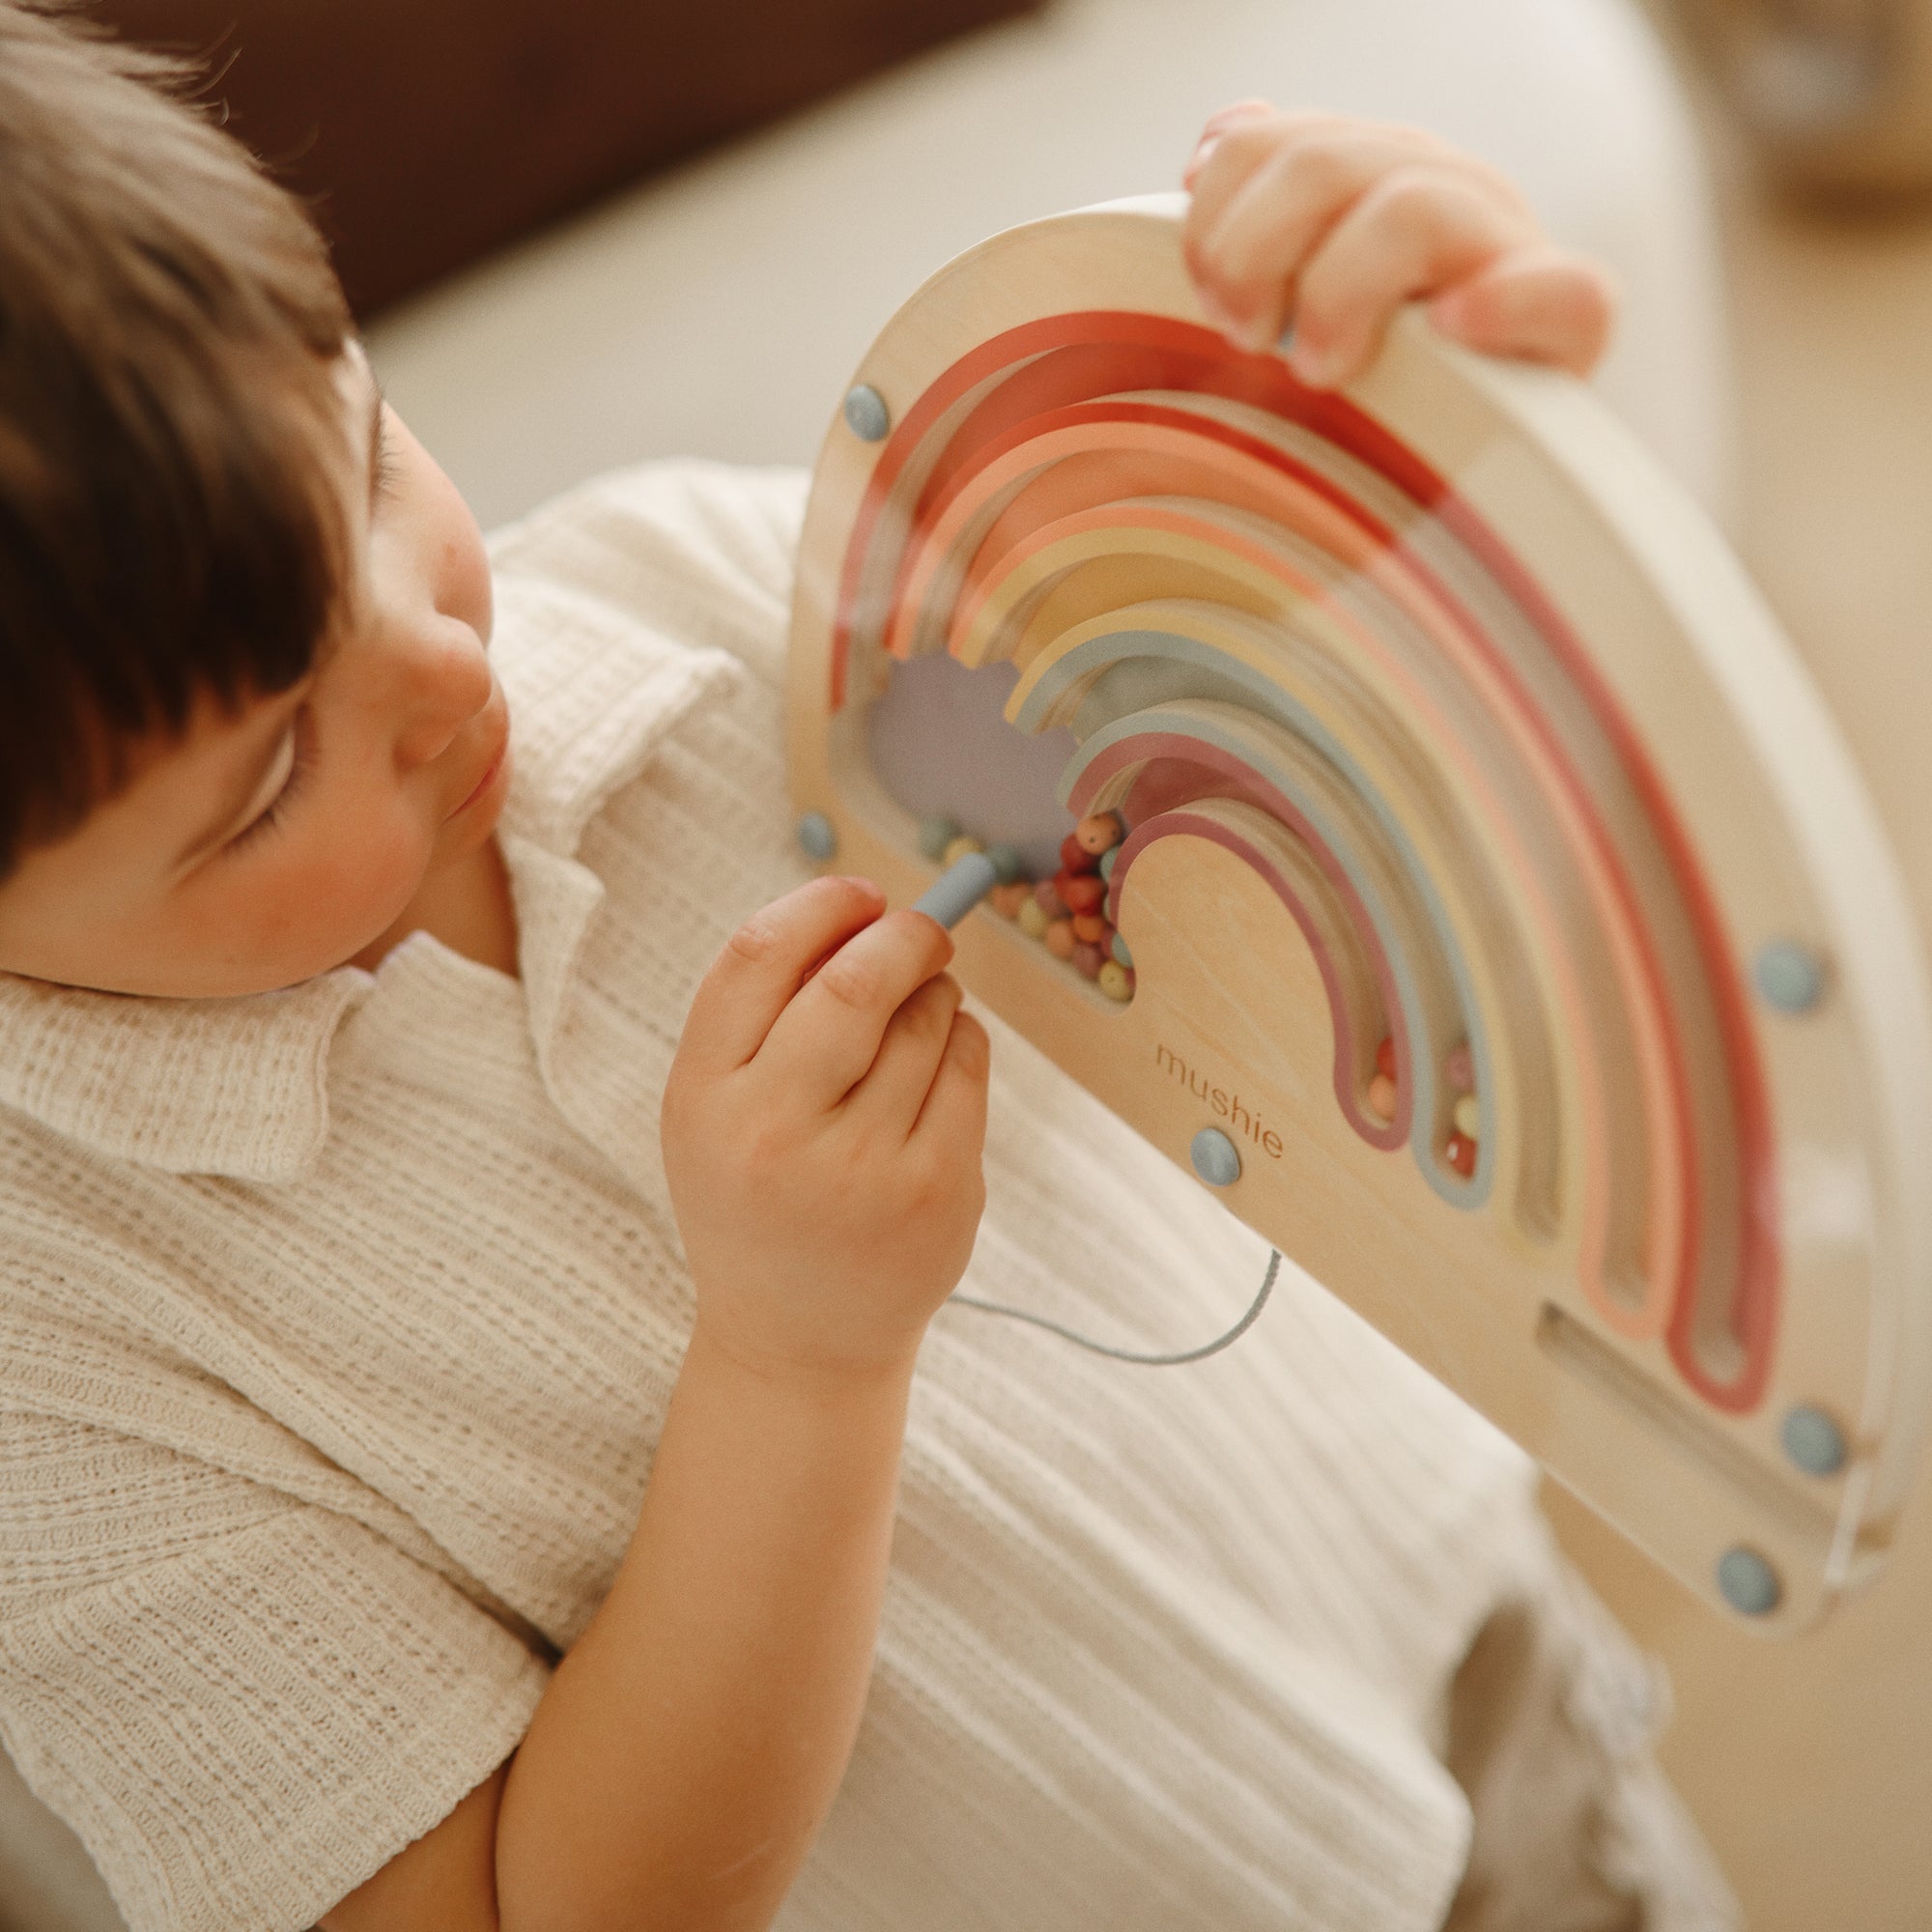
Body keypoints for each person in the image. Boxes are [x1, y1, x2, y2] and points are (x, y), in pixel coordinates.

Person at [0, 8, 1734, 1930]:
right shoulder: (53, 1373)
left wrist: (1413, 406)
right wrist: (791, 1358)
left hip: (1460, 1644)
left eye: (380, 471)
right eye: (262, 779)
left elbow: (1244, 724)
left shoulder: (701, 595)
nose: (441, 668)